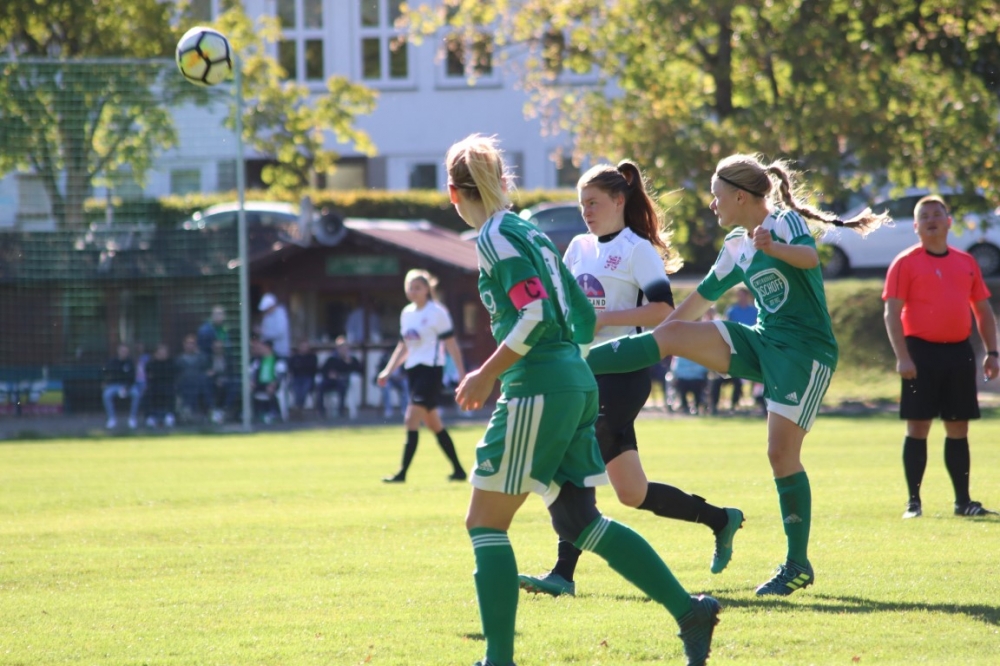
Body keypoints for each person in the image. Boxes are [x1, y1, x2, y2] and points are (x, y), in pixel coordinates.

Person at [446, 134, 719, 666]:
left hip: (539, 385)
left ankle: (497, 659)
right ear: (504, 182)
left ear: (454, 194)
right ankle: (691, 612)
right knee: (580, 524)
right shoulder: (528, 230)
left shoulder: (494, 237)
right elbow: (574, 309)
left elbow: (534, 314)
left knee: (484, 523)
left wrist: (486, 372)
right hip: (574, 378)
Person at [583, 153, 890, 597]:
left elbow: (808, 259)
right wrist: (662, 334)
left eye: (716, 196)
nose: (712, 205)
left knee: (780, 455)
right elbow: (697, 302)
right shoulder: (736, 245)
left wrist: (773, 247)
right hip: (763, 340)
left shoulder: (782, 223)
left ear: (740, 196)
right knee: (676, 335)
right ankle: (581, 364)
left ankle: (797, 565)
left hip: (804, 353)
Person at [519, 160, 743, 602]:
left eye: (594, 202)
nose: (586, 211)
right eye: (582, 204)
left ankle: (563, 574)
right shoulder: (578, 248)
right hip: (583, 371)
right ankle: (721, 519)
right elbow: (566, 304)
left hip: (624, 371)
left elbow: (663, 312)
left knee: (572, 451)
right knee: (632, 493)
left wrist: (601, 319)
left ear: (619, 201)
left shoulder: (637, 248)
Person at [882, 194, 999, 519]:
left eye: (938, 214)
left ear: (949, 222)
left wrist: (992, 352)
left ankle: (964, 502)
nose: (932, 219)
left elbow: (982, 310)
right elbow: (891, 313)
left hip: (958, 352)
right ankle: (913, 503)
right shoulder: (905, 262)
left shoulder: (966, 262)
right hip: (920, 352)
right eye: (925, 216)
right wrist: (903, 357)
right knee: (918, 426)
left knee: (958, 426)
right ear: (916, 226)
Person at [377, 269, 468, 483]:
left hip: (431, 371)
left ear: (427, 289)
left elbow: (451, 344)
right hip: (414, 371)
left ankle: (402, 473)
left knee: (411, 418)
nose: (413, 291)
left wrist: (462, 373)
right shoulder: (407, 313)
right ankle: (459, 470)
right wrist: (388, 371)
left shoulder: (437, 312)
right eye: (410, 287)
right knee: (434, 423)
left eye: (417, 287)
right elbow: (404, 346)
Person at [709, 288, 758, 413]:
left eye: (743, 296)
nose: (741, 298)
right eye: (739, 296)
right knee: (720, 379)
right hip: (735, 347)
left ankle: (754, 400)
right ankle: (715, 406)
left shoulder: (754, 311)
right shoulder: (732, 311)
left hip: (752, 346)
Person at [317, 336, 364, 419]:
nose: (343, 350)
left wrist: (348, 363)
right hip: (330, 381)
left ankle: (340, 410)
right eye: (341, 348)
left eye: (345, 348)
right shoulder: (332, 359)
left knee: (341, 387)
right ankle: (321, 411)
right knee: (320, 387)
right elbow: (323, 370)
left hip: (343, 381)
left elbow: (360, 371)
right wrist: (329, 375)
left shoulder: (352, 360)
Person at [101, 342, 142, 429]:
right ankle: (112, 419)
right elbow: (106, 372)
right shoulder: (112, 362)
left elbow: (132, 378)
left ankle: (132, 418)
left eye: (125, 351)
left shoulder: (130, 362)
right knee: (107, 394)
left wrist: (126, 388)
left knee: (136, 394)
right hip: (114, 386)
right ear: (118, 351)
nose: (123, 353)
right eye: (122, 351)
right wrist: (106, 382)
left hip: (128, 386)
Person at [175, 334, 212, 421]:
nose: (190, 345)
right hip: (184, 385)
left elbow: (207, 369)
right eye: (188, 343)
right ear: (184, 345)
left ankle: (210, 411)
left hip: (200, 385)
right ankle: (187, 410)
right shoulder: (179, 360)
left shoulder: (201, 358)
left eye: (192, 343)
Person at [249, 338, 285, 424]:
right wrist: (252, 381)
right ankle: (255, 414)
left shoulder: (277, 359)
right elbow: (252, 372)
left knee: (270, 390)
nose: (260, 349)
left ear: (268, 348)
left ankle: (274, 413)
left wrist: (274, 383)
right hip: (259, 383)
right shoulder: (258, 360)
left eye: (262, 347)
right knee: (250, 390)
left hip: (273, 383)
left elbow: (281, 373)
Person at [144, 343, 177, 428]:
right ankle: (150, 417)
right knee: (147, 394)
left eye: (164, 352)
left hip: (168, 386)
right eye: (160, 353)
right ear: (156, 353)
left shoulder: (171, 363)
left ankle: (170, 416)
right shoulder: (151, 363)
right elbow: (150, 376)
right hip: (154, 387)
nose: (162, 354)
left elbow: (171, 376)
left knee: (171, 392)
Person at [376, 348, 409, 419]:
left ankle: (405, 409)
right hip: (389, 379)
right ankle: (388, 409)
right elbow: (380, 371)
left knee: (405, 384)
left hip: (400, 380)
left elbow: (407, 372)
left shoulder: (404, 358)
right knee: (386, 386)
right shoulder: (384, 359)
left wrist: (401, 376)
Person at [288, 339, 319, 412]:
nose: (304, 348)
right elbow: (291, 368)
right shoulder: (294, 357)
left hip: (308, 377)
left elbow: (313, 368)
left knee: (305, 389)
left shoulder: (312, 357)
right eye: (302, 346)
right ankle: (299, 408)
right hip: (296, 377)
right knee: (296, 390)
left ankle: (299, 408)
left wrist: (300, 366)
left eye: (305, 346)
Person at [257, 293, 291, 359]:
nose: (266, 311)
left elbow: (279, 332)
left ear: (271, 306)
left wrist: (263, 332)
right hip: (268, 353)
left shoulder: (281, 314)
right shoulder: (266, 316)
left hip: (280, 353)